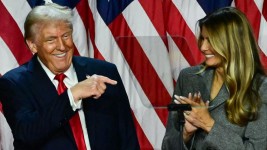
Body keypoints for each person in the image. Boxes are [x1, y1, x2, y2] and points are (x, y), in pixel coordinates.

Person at [0, 3, 139, 150]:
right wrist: (73, 95)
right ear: (33, 45)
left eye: (66, 36)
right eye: (51, 40)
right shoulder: (14, 83)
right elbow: (26, 132)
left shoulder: (104, 71)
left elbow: (127, 135)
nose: (62, 46)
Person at [162, 7, 267, 150]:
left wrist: (208, 124)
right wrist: (186, 134)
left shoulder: (261, 88)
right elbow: (168, 146)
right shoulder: (188, 78)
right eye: (203, 39)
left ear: (233, 43)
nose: (203, 47)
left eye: (211, 40)